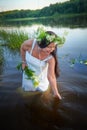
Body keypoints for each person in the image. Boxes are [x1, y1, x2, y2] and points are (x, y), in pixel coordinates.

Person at [20, 28, 62, 100]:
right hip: (28, 71)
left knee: (43, 93)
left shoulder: (51, 58)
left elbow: (51, 76)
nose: (52, 49)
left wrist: (56, 92)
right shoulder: (30, 44)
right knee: (27, 90)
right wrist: (23, 61)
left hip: (41, 76)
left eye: (54, 47)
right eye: (49, 47)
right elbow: (22, 48)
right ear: (42, 44)